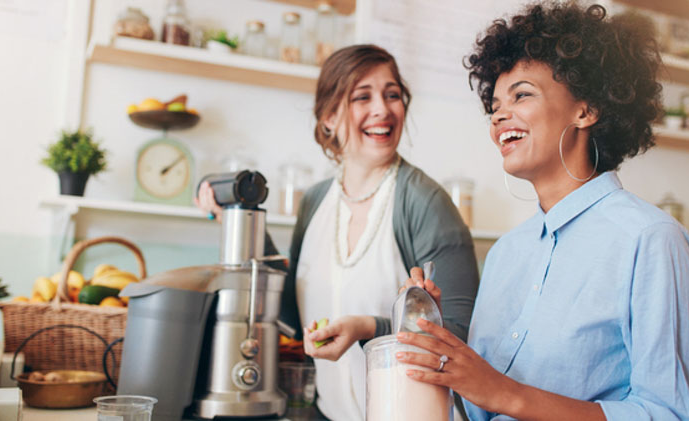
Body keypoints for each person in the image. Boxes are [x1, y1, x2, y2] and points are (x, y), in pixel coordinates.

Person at [395, 3, 689, 421]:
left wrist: (507, 394)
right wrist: (428, 329)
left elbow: (670, 414)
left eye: (521, 94)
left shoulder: (651, 240)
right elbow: (476, 408)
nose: (499, 115)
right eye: (495, 104)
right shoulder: (506, 253)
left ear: (586, 109)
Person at [195, 44, 480, 421]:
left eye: (392, 94)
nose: (382, 109)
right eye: (363, 96)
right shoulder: (315, 202)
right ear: (328, 116)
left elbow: (462, 335)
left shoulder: (425, 202)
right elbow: (295, 320)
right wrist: (238, 217)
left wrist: (369, 328)